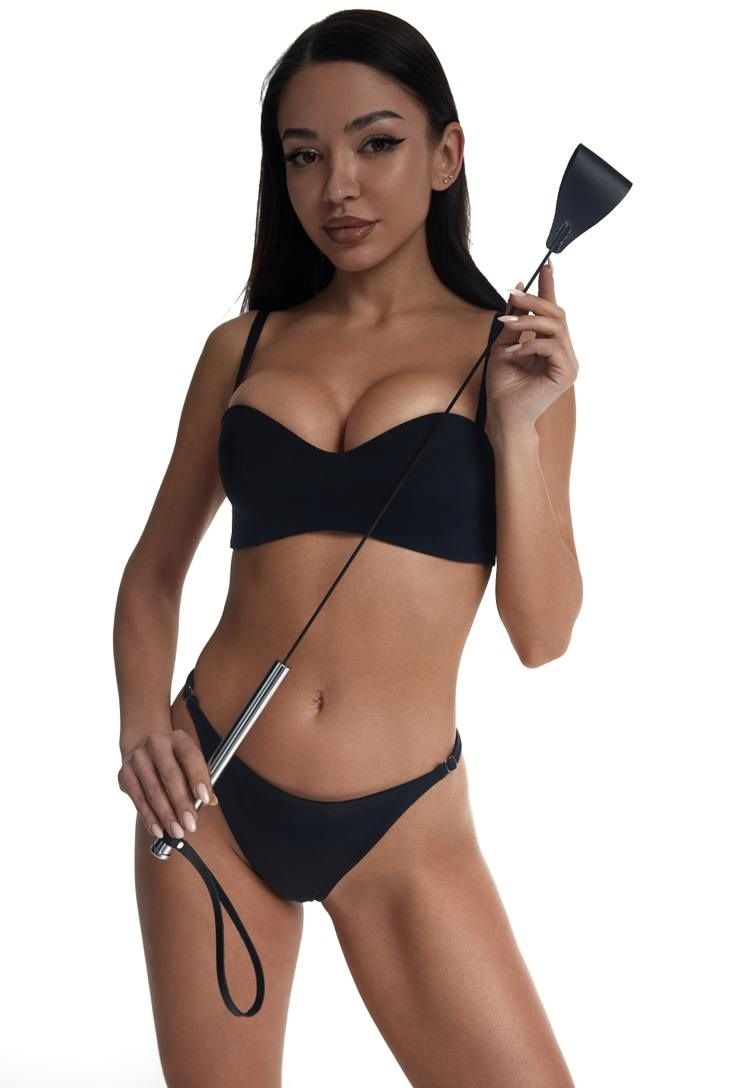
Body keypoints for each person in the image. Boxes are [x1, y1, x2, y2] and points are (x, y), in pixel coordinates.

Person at [114, 9, 582, 1086]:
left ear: (446, 154)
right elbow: (153, 574)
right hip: (211, 792)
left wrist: (516, 425)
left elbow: (543, 633)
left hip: (404, 822)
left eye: (376, 143)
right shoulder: (242, 348)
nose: (339, 188)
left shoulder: (515, 361)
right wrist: (145, 729)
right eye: (304, 156)